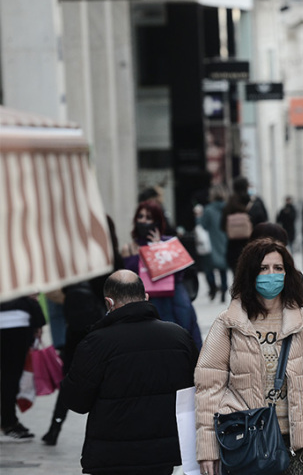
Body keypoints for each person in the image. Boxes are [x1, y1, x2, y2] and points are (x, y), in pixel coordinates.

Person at [195, 238, 303, 475]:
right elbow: (209, 387)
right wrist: (208, 448)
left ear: (287, 273)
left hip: (295, 442)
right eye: (263, 268)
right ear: (250, 273)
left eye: (278, 268)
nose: (271, 274)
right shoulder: (229, 323)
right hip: (246, 440)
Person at [61, 270, 198, 474]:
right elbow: (194, 389)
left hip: (112, 455)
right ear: (146, 297)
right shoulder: (178, 336)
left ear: (109, 302)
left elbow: (76, 401)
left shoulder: (96, 343)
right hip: (162, 453)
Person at [43, 215, 125, 447]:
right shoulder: (110, 257)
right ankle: (110, 428)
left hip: (77, 327)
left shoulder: (77, 257)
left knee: (71, 377)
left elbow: (65, 289)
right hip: (104, 326)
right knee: (108, 378)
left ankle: (54, 427)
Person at [121, 200, 202, 348]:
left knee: (186, 334)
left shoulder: (169, 242)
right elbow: (132, 279)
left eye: (148, 217)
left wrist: (159, 249)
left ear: (157, 221)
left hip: (175, 298)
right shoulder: (130, 248)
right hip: (149, 301)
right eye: (140, 216)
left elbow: (180, 274)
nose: (143, 221)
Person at [0, 295, 45, 441]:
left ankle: (9, 420)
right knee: (10, 376)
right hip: (17, 321)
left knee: (9, 376)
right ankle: (8, 422)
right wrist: (38, 322)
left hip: (16, 320)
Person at [223, 177, 268, 273]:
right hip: (252, 245)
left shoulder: (229, 204)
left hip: (233, 248)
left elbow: (222, 226)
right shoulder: (255, 203)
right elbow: (263, 221)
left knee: (238, 275)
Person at [201, 185, 229, 302]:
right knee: (223, 267)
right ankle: (224, 289)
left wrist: (198, 217)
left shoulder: (208, 209)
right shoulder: (227, 208)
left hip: (211, 240)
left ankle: (213, 287)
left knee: (209, 267)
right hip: (225, 240)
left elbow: (203, 225)